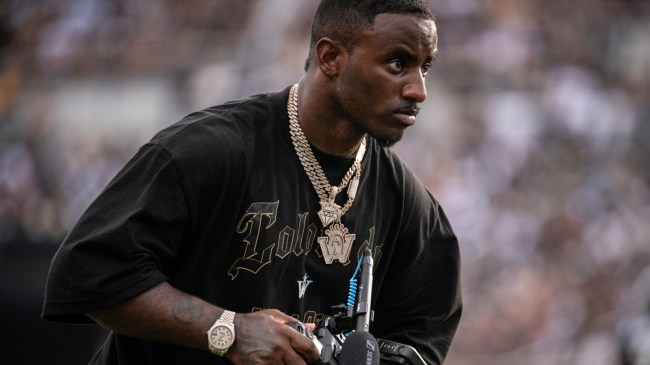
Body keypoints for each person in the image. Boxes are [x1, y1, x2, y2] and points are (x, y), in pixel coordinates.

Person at [42, 0, 462, 364]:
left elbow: (419, 338)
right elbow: (86, 272)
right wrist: (228, 330)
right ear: (332, 57)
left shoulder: (407, 202)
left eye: (425, 67)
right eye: (398, 63)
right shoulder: (208, 151)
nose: (418, 89)